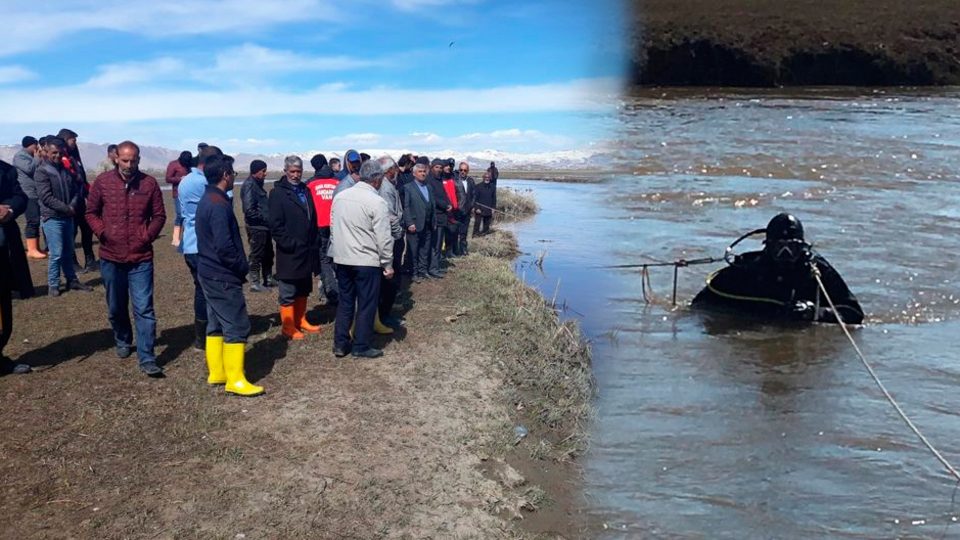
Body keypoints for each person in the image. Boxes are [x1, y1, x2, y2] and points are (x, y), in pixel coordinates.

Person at [692, 213, 864, 324]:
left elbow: (854, 314)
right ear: (767, 246)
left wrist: (815, 312)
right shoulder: (749, 269)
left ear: (803, 248)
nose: (785, 253)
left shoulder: (818, 272)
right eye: (779, 247)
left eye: (792, 247)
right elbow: (700, 305)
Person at [86, 141, 166, 377]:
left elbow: (159, 215)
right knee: (116, 306)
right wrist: (103, 232)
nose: (129, 165)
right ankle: (122, 339)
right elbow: (91, 212)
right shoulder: (103, 182)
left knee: (144, 308)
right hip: (111, 257)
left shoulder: (149, 184)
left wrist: (147, 235)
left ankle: (147, 357)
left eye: (133, 160)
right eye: (125, 160)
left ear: (139, 159)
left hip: (141, 257)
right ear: (116, 158)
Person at [196, 155, 262, 396]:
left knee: (215, 323)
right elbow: (224, 246)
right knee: (236, 324)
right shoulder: (218, 204)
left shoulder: (208, 198)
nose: (234, 176)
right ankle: (235, 379)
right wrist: (241, 267)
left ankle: (217, 372)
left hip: (208, 271)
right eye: (233, 173)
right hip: (221, 275)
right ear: (225, 175)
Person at [330, 160, 394, 358]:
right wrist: (387, 263)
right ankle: (360, 345)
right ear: (377, 179)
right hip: (366, 260)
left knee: (345, 302)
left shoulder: (340, 197)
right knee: (367, 304)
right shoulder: (377, 202)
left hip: (342, 258)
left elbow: (333, 227)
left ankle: (340, 344)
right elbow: (383, 237)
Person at [268, 156, 321, 340]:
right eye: (292, 171)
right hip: (290, 251)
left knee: (304, 287)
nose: (296, 175)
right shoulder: (277, 193)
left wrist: (314, 241)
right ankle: (288, 325)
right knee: (288, 289)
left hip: (307, 249)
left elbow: (312, 217)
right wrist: (290, 244)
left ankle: (300, 319)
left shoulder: (306, 190)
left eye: (299, 171)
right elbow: (275, 225)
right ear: (286, 171)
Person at [34, 137, 92, 297]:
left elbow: (76, 191)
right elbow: (46, 197)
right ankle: (53, 284)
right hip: (52, 217)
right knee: (56, 253)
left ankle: (72, 280)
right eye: (54, 153)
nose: (57, 156)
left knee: (68, 251)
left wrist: (72, 206)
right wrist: (66, 208)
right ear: (46, 152)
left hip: (67, 217)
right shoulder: (42, 171)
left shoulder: (66, 171)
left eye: (60, 153)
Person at [179, 145, 224, 350]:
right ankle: (210, 333)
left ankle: (201, 335)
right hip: (205, 244)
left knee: (200, 288)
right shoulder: (205, 182)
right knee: (210, 290)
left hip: (190, 242)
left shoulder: (185, 181)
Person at [0, 158, 35, 375]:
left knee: (3, 305)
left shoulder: (6, 170)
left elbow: (20, 197)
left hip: (3, 250)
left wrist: (9, 210)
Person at [57, 128, 97, 275]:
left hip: (80, 200)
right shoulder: (60, 157)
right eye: (73, 140)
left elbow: (82, 178)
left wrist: (89, 193)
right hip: (68, 202)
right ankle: (72, 262)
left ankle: (90, 260)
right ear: (65, 140)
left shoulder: (75, 157)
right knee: (71, 233)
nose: (75, 143)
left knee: (87, 229)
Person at [376, 156, 404, 327]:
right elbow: (390, 215)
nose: (397, 170)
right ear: (389, 170)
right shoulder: (386, 188)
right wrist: (399, 233)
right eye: (394, 167)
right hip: (391, 238)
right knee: (390, 276)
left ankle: (384, 312)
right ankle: (384, 314)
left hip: (390, 236)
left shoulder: (388, 184)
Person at [305, 162, 339, 304]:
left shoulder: (310, 184)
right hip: (336, 224)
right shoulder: (337, 182)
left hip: (319, 225)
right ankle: (334, 288)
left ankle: (331, 291)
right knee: (336, 257)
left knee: (324, 259)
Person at [240, 159, 274, 292]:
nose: (265, 173)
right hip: (256, 227)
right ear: (256, 171)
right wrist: (266, 219)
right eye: (263, 171)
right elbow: (249, 210)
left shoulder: (257, 184)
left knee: (268, 253)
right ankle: (255, 282)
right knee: (257, 254)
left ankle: (268, 278)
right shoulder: (249, 185)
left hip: (264, 226)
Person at [13, 136, 46, 259]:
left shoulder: (32, 156)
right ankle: (31, 249)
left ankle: (37, 247)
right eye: (35, 145)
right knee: (32, 220)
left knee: (37, 220)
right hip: (27, 193)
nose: (37, 147)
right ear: (29, 145)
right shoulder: (20, 156)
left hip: (36, 193)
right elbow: (29, 169)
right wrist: (37, 158)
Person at [402, 163, 434, 283]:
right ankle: (414, 272)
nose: (423, 173)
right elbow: (406, 206)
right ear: (414, 174)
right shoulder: (408, 187)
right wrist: (409, 222)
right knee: (413, 250)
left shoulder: (429, 187)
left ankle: (423, 270)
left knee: (425, 249)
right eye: (420, 171)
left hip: (427, 223)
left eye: (424, 171)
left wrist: (434, 220)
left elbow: (432, 205)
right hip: (415, 224)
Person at [427, 159, 452, 277]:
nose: (439, 170)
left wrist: (449, 203)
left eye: (441, 168)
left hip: (442, 216)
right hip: (435, 216)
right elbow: (433, 197)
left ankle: (435, 266)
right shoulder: (429, 180)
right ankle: (432, 268)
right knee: (435, 243)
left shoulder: (439, 180)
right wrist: (445, 205)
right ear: (432, 168)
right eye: (436, 167)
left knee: (439, 243)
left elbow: (444, 195)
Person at [166, 151, 192, 247]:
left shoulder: (189, 165)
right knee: (180, 215)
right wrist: (180, 179)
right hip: (177, 193)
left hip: (188, 193)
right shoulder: (173, 165)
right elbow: (168, 178)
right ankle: (175, 238)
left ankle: (186, 237)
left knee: (187, 215)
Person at [455, 161, 476, 255]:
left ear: (468, 171)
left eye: (465, 170)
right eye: (461, 170)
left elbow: (474, 195)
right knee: (455, 231)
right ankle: (454, 250)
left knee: (464, 231)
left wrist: (471, 205)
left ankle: (463, 249)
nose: (463, 172)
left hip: (467, 210)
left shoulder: (471, 181)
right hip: (457, 210)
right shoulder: (455, 180)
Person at [473, 172, 496, 237]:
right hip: (479, 208)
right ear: (483, 178)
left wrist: (493, 208)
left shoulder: (493, 186)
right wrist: (477, 208)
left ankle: (485, 235)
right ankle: (475, 235)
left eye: (488, 177)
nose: (487, 178)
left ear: (490, 178)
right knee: (477, 223)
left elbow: (494, 198)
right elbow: (475, 199)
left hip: (488, 208)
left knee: (487, 224)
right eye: (485, 177)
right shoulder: (478, 186)